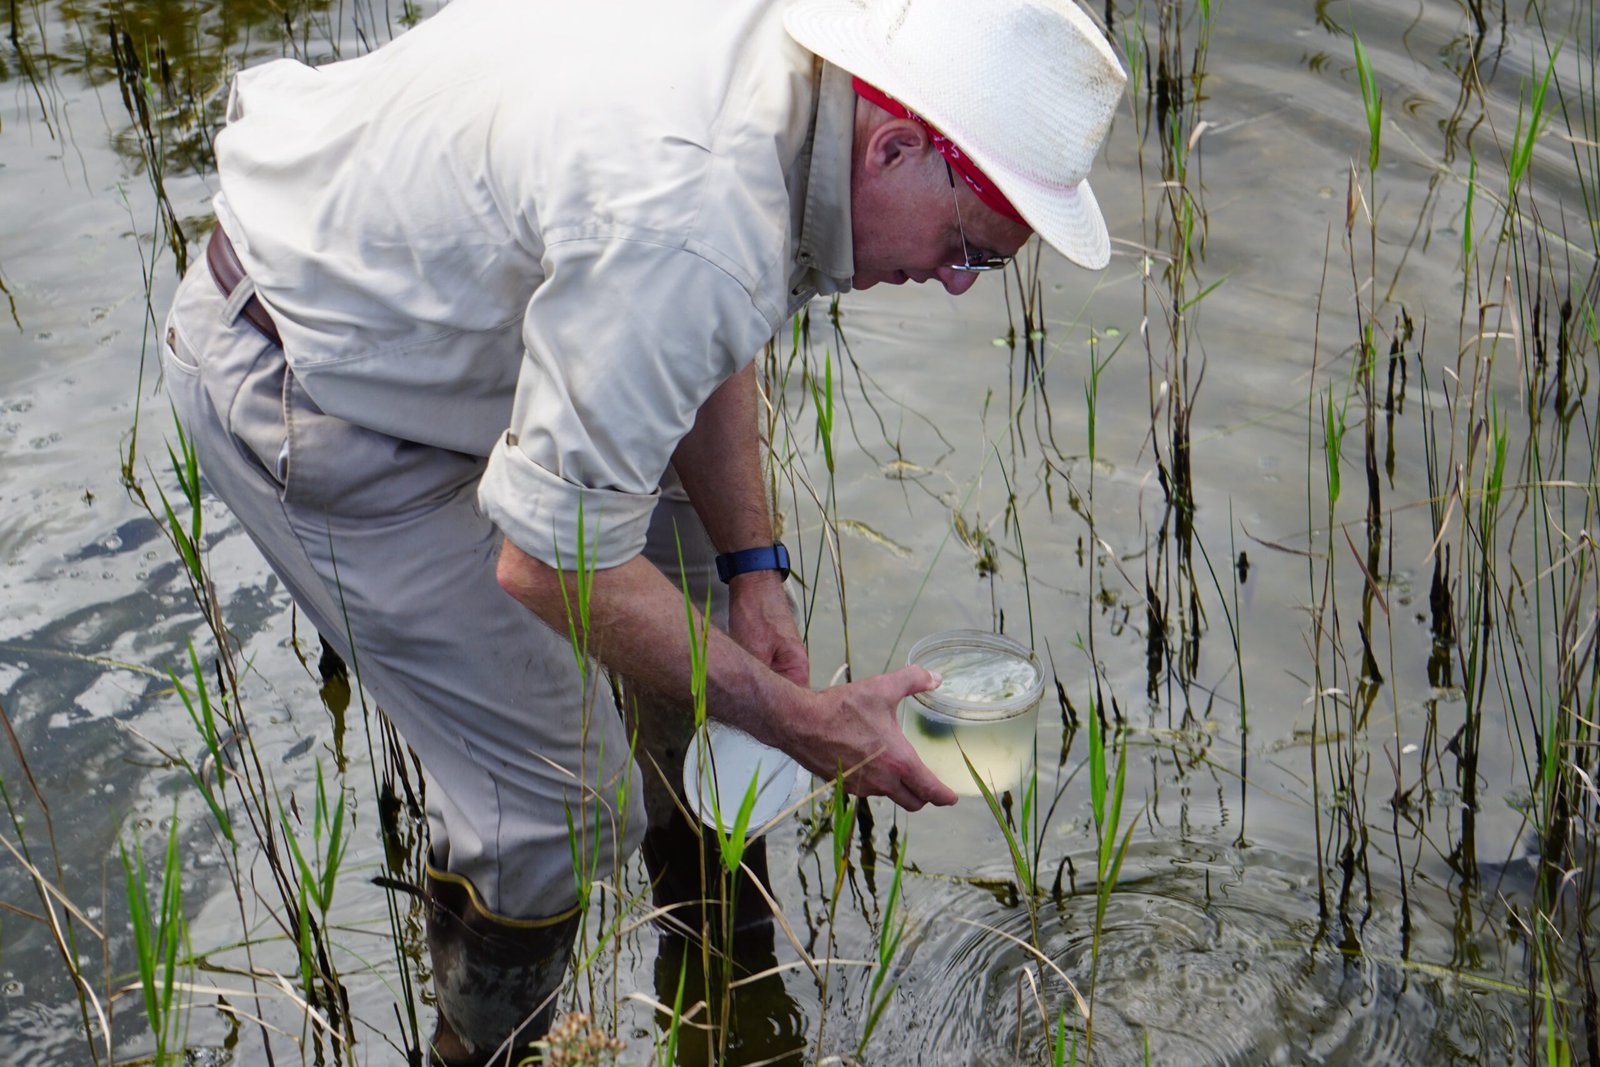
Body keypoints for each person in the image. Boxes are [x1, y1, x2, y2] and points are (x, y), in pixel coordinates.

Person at [158, 0, 1124, 1061]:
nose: (949, 283)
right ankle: (486, 1044)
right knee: (559, 797)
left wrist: (754, 570)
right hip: (313, 375)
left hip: (474, 320)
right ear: (895, 143)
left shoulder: (789, 93)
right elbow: (547, 559)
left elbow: (709, 319)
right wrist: (804, 720)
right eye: (965, 250)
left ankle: (723, 984)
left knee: (698, 632)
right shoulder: (695, 209)